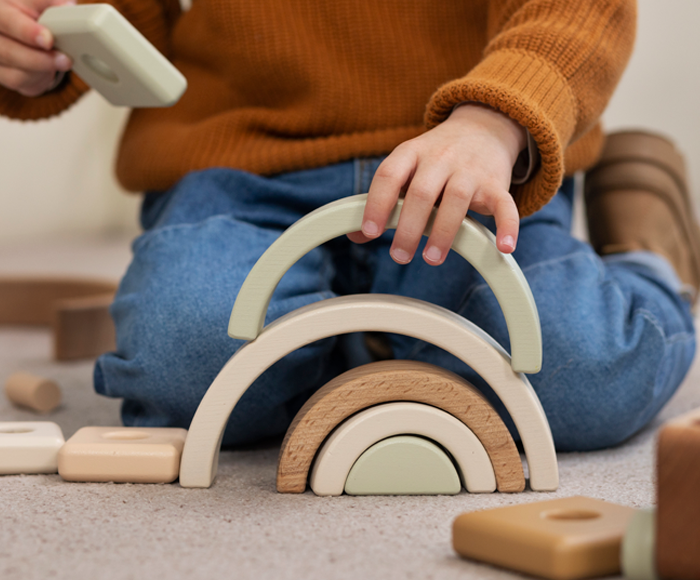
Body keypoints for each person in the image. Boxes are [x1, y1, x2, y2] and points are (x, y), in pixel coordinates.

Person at [1, 0, 695, 451]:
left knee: (582, 372)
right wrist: (42, 35)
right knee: (188, 374)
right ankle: (380, 333)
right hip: (241, 163)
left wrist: (493, 122)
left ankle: (646, 250)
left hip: (472, 159)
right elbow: (111, 18)